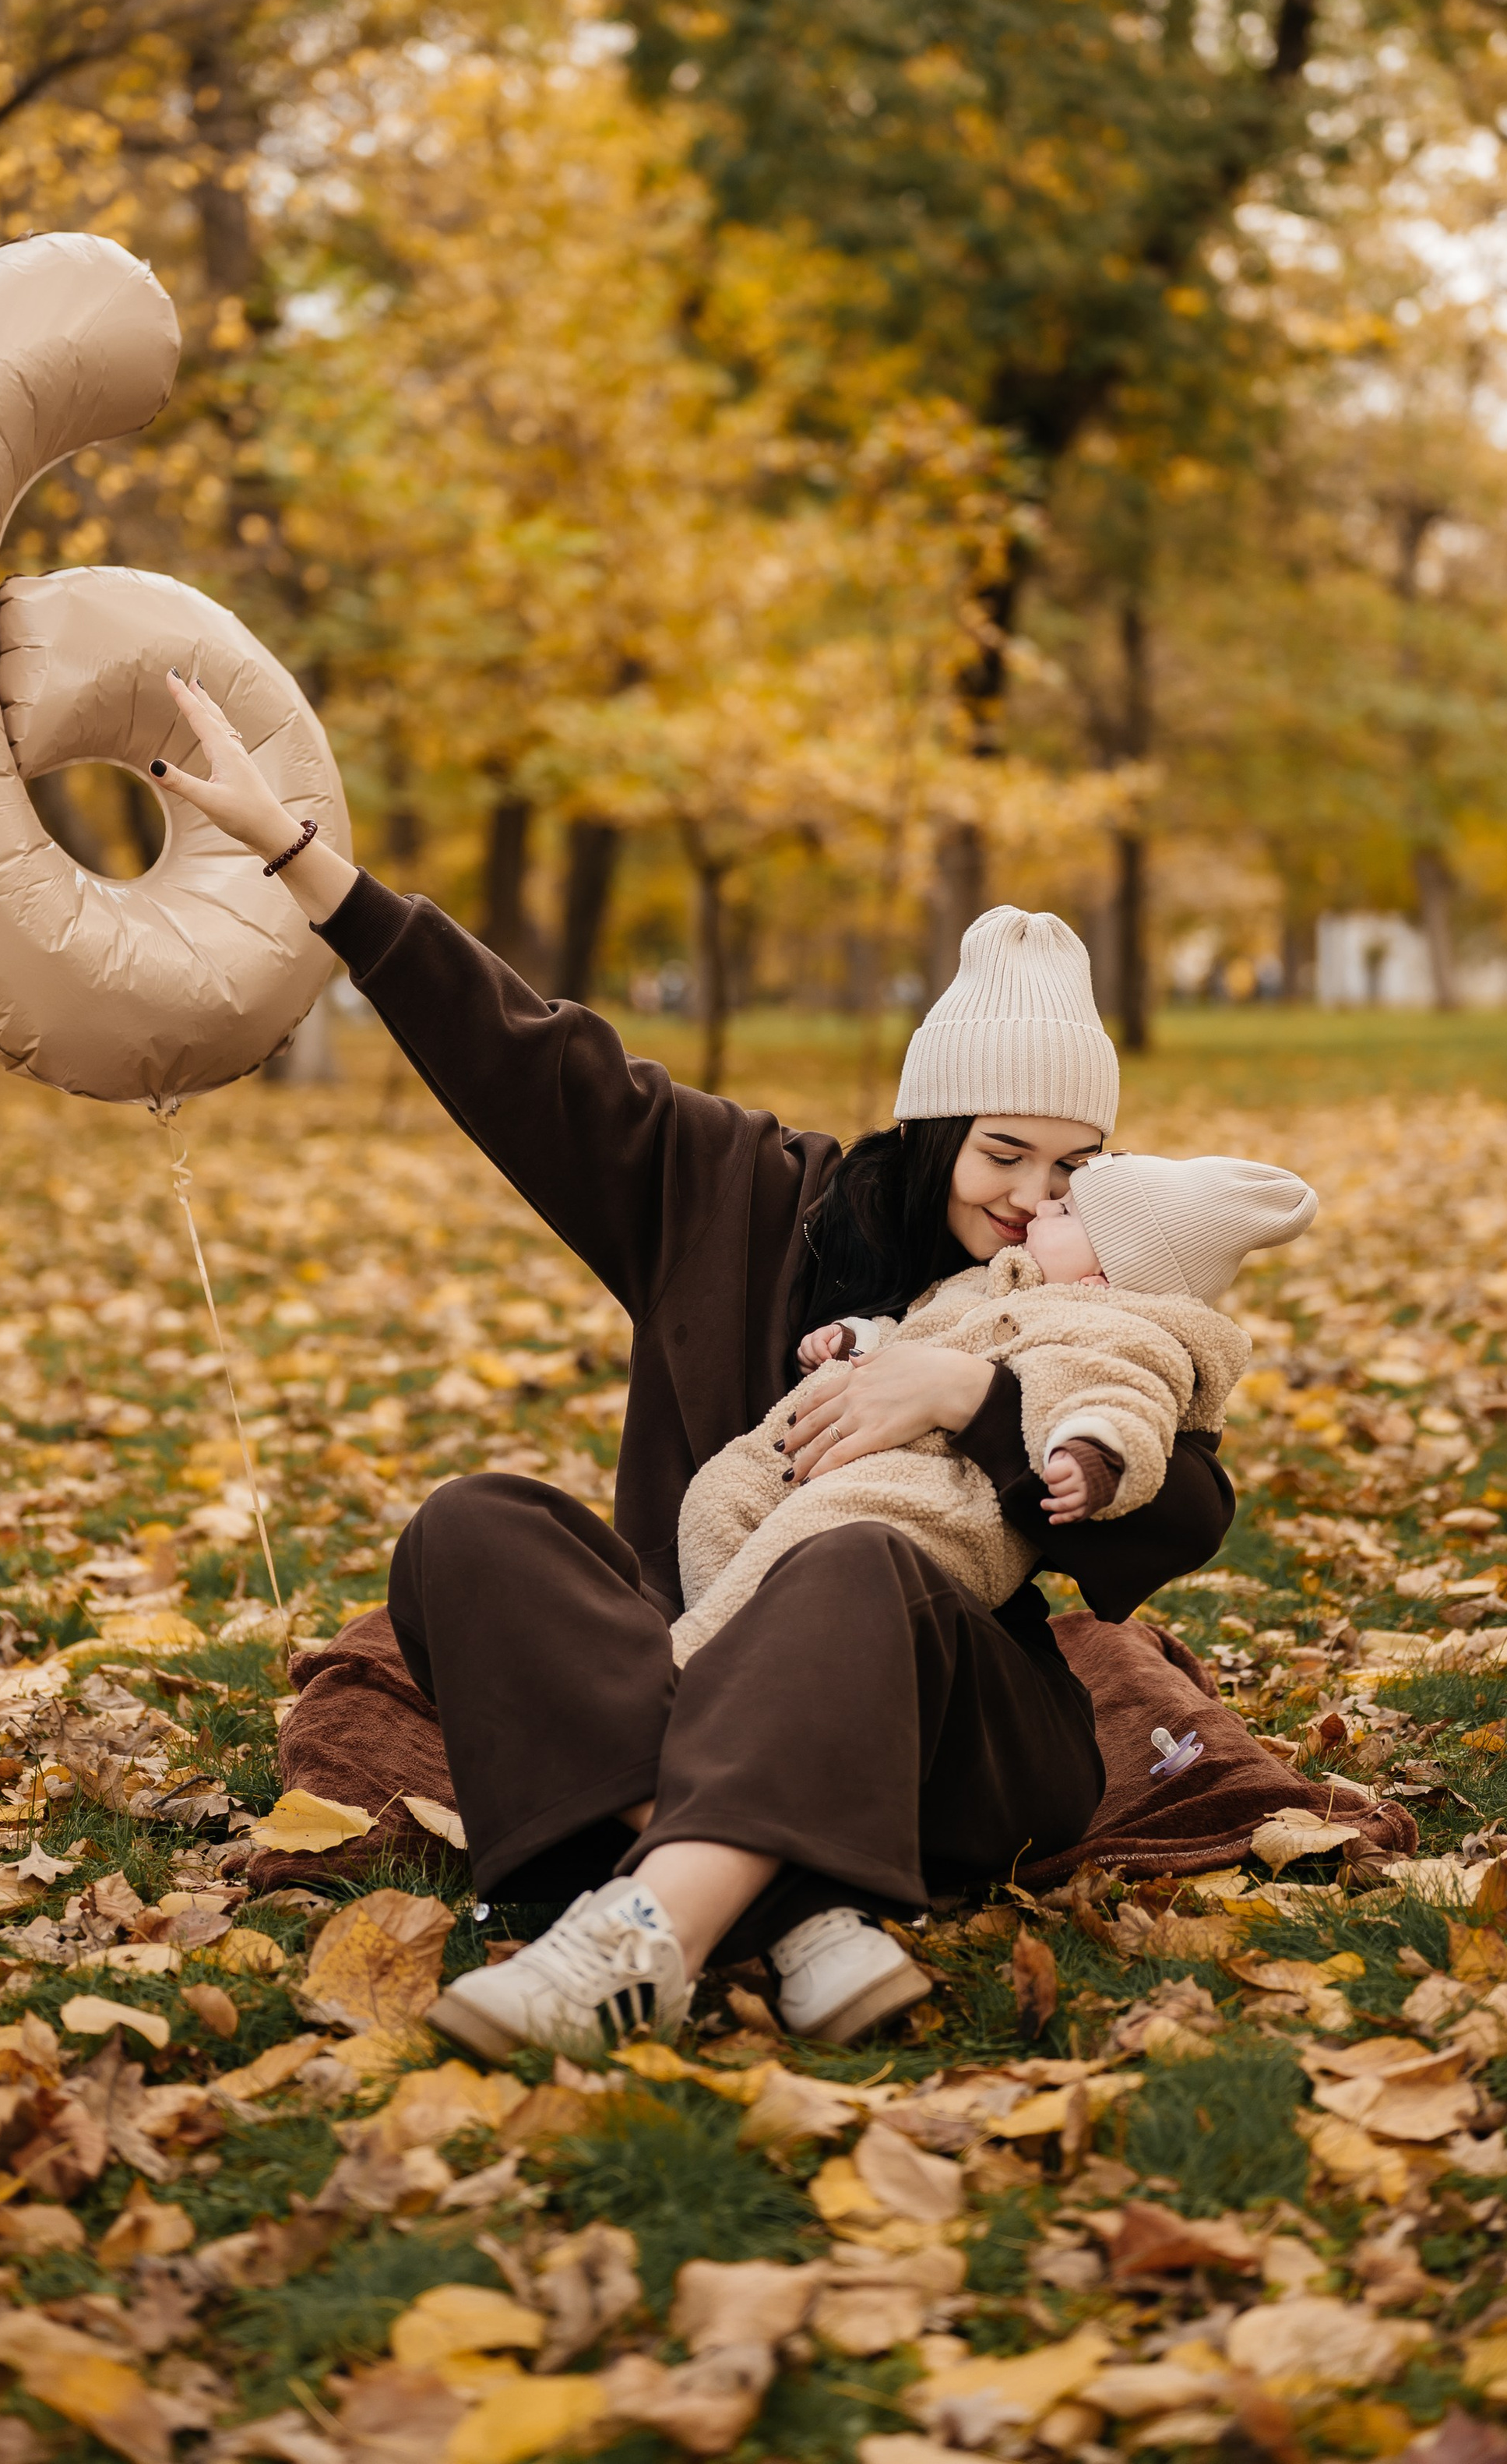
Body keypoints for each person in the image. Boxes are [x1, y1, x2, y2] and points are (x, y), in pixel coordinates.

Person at [149, 672, 1238, 2057]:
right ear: (934, 1124)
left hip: (943, 1733)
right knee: (470, 1526)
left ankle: (634, 1929)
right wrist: (303, 859)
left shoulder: (1082, 1278)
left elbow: (1189, 1500)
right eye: (1004, 1153)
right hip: (676, 1669)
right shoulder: (739, 1191)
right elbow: (525, 1056)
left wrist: (972, 1398)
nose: (1037, 1198)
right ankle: (784, 1915)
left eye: (1074, 1166)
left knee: (848, 1560)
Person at [672, 1151, 1315, 1667]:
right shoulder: (992, 1279)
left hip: (936, 1499)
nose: (1038, 1202)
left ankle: (690, 1670)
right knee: (719, 1496)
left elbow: (1118, 1395)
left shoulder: (1110, 1327)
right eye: (1004, 1153)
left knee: (817, 1539)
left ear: (1104, 1275)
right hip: (826, 1458)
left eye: (1062, 1207)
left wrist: (1092, 1449)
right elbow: (924, 1328)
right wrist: (860, 1340)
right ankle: (737, 1669)